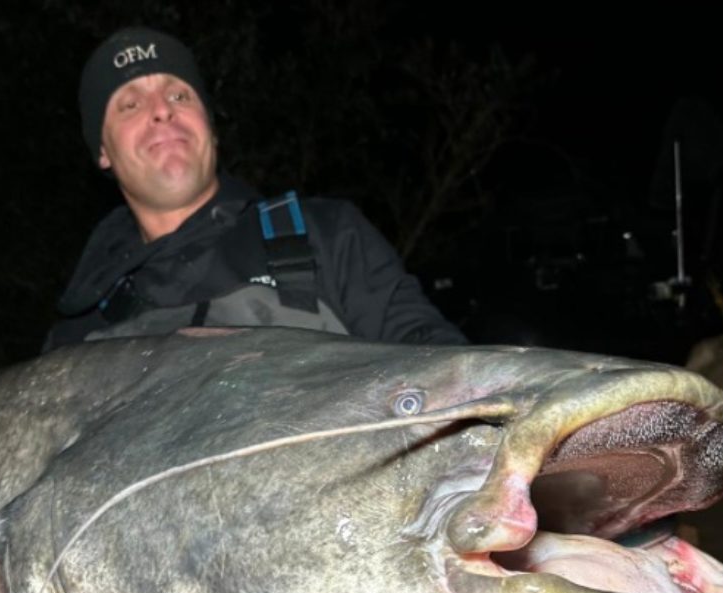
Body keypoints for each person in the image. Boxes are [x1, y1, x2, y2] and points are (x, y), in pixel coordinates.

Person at [43, 26, 466, 351]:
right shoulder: (80, 330)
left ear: (209, 126)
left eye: (179, 95)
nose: (161, 112)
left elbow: (437, 361)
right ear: (102, 150)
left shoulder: (325, 233)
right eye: (131, 104)